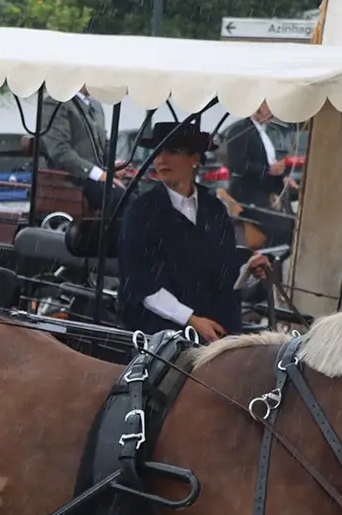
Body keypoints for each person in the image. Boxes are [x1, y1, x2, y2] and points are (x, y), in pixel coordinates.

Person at [118, 122, 271, 343]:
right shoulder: (141, 212)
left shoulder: (214, 209)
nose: (161, 160)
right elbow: (141, 285)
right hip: (163, 335)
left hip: (219, 331)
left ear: (195, 158)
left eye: (172, 152)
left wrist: (250, 272)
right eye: (158, 152)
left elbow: (225, 270)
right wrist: (191, 320)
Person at [40, 87, 128, 214]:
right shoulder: (56, 102)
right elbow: (60, 150)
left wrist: (113, 164)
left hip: (97, 175)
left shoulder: (95, 105)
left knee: (137, 191)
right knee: (122, 198)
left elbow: (103, 143)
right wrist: (98, 174)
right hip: (74, 177)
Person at [222, 101, 298, 211]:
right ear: (257, 106)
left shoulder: (269, 131)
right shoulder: (240, 131)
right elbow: (237, 164)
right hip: (250, 192)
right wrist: (267, 170)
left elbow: (270, 161)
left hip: (270, 190)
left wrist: (284, 176)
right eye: (267, 105)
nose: (271, 110)